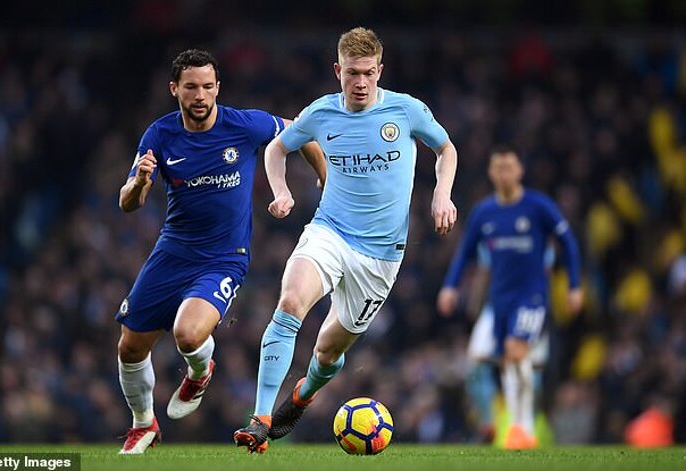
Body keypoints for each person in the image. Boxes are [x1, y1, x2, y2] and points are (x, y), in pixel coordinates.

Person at [232, 27, 458, 453]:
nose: (361, 82)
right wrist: (281, 191)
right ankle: (260, 418)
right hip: (329, 231)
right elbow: (276, 149)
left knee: (327, 351)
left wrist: (441, 195)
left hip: (380, 257)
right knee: (290, 302)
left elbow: (446, 149)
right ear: (338, 71)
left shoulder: (406, 110)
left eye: (368, 73)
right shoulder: (320, 113)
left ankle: (304, 394)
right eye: (353, 73)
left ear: (380, 71)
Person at [115, 49, 325, 454]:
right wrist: (139, 182)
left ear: (217, 88)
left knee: (188, 334)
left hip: (224, 257)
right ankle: (144, 424)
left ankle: (200, 371)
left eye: (207, 86)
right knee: (129, 347)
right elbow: (129, 203)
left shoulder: (245, 125)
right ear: (174, 89)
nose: (200, 95)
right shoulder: (159, 135)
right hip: (172, 252)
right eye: (191, 87)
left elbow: (301, 131)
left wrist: (325, 178)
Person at [437, 144, 582, 449]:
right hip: (498, 301)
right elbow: (465, 253)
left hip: (531, 298)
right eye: (498, 168)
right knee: (495, 360)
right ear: (491, 172)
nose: (504, 173)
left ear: (520, 171)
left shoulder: (538, 206)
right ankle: (504, 425)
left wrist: (574, 285)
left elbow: (568, 242)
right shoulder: (484, 212)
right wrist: (450, 286)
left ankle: (522, 427)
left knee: (516, 352)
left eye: (509, 167)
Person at [461, 243, 554, 443]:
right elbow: (485, 271)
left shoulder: (538, 236)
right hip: (496, 308)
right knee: (476, 364)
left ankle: (526, 426)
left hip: (528, 308)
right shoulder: (494, 233)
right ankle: (490, 425)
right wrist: (475, 303)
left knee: (528, 367)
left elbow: (545, 275)